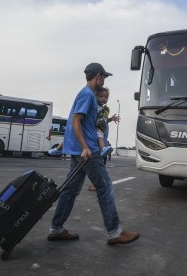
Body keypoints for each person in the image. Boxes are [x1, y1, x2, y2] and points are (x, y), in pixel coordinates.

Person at [47, 62, 139, 245]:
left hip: (79, 151)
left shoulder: (85, 94)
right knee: (105, 188)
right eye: (103, 77)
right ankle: (114, 232)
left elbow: (79, 121)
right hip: (88, 152)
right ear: (97, 76)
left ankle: (56, 228)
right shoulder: (88, 95)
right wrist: (85, 147)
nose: (103, 81)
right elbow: (75, 122)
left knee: (71, 190)